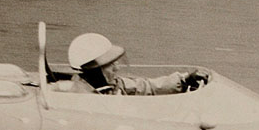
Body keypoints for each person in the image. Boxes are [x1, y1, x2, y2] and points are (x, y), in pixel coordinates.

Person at [54, 32, 209, 95]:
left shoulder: (112, 85)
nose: (116, 68)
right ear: (93, 70)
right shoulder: (78, 95)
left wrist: (184, 79)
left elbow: (147, 86)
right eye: (110, 64)